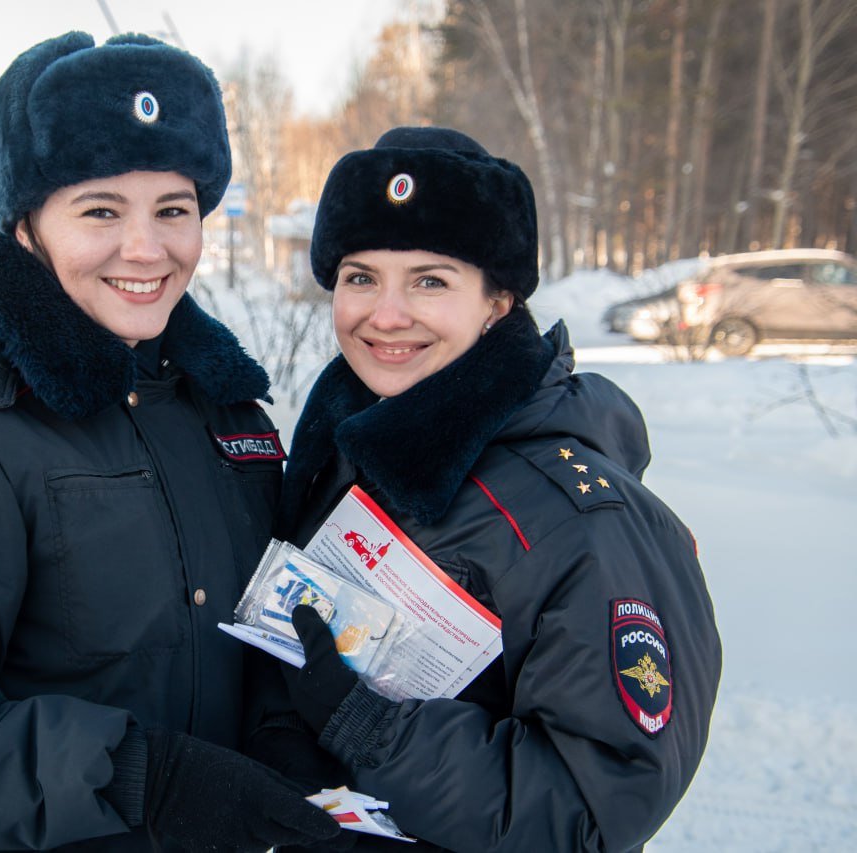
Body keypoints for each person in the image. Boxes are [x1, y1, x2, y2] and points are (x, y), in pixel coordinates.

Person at [0, 32, 340, 853]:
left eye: (173, 210)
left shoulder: (225, 409)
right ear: (25, 226)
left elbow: (254, 642)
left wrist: (288, 732)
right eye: (101, 211)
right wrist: (135, 774)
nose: (146, 249)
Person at [273, 127, 722, 851]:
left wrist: (374, 727)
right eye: (361, 277)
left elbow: (593, 814)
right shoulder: (346, 446)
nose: (385, 315)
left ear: (499, 301)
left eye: (430, 280)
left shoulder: (581, 523)